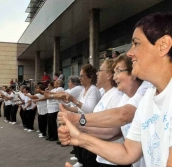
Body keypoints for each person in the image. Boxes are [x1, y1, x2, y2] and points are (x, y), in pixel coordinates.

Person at [58, 12, 172, 167]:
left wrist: (79, 121)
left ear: (163, 45)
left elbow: (122, 116)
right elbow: (127, 152)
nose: (130, 53)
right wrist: (79, 138)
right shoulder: (148, 97)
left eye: (136, 43)